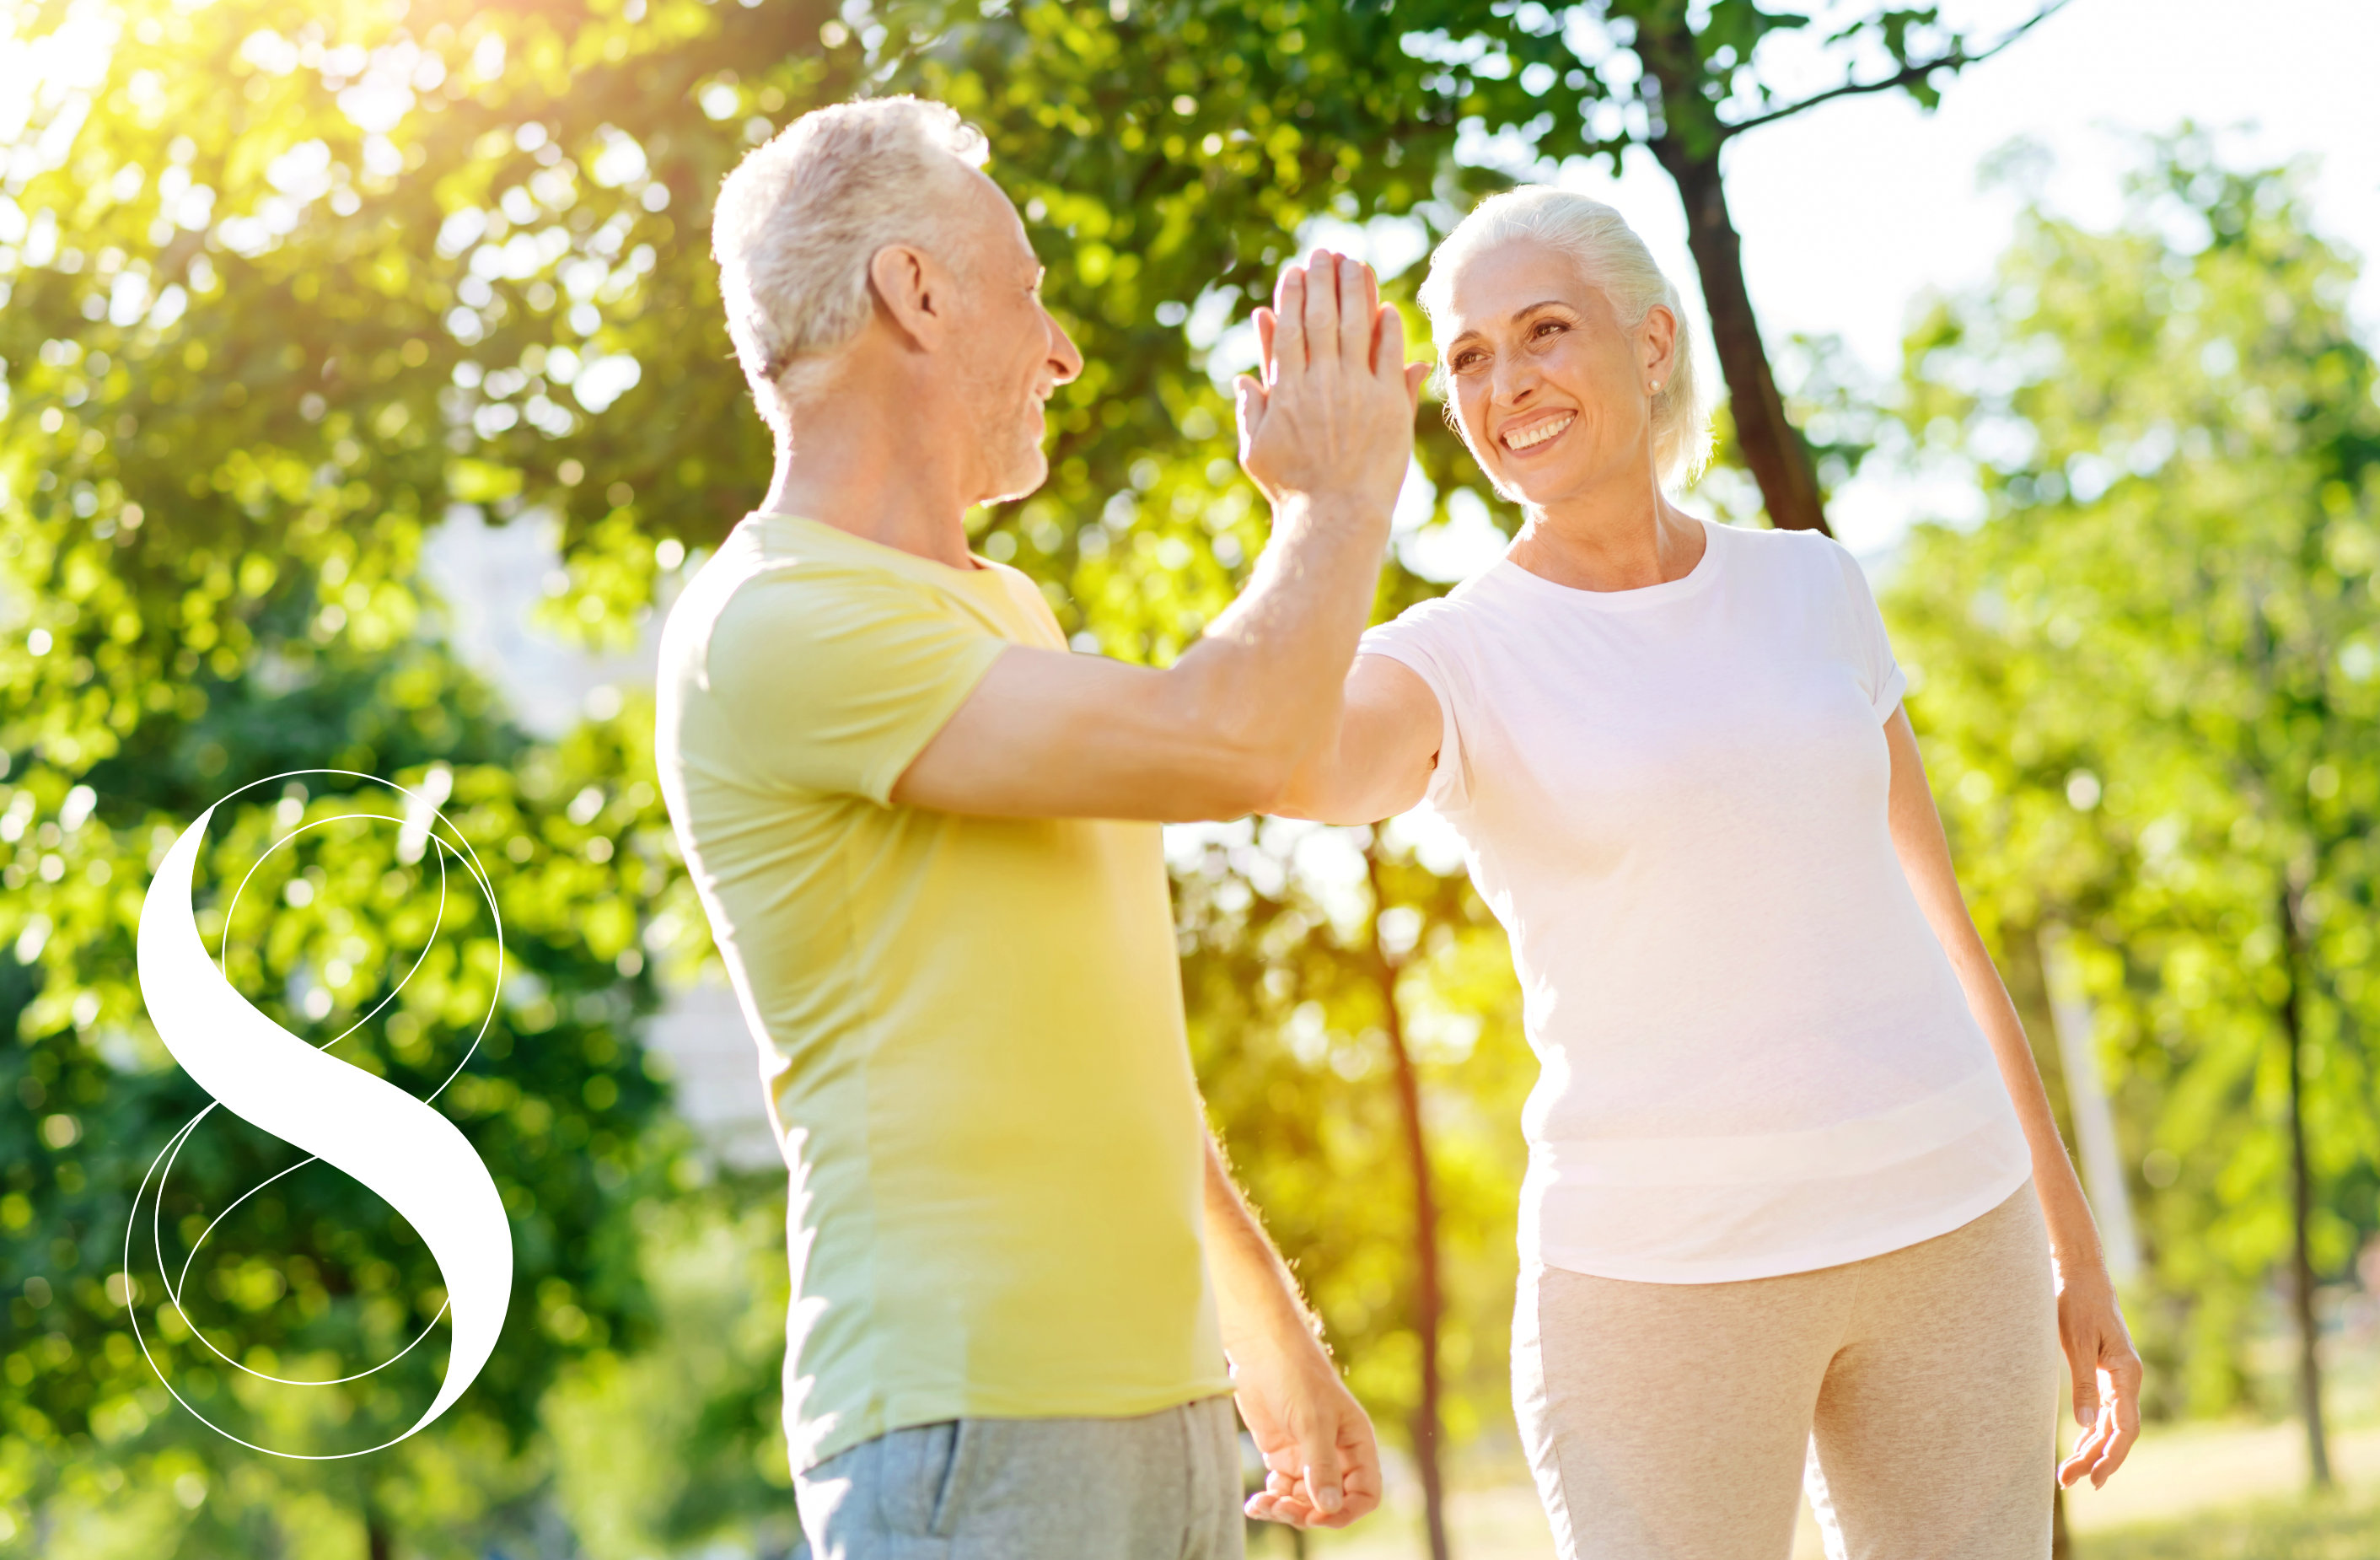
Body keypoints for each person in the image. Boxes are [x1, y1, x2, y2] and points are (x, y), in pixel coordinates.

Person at [1267, 185, 2146, 1557]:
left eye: (1545, 330)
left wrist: (2067, 1235)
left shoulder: (1814, 587)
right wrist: (1325, 514)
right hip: (1659, 1275)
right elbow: (1294, 766)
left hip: (1951, 1228)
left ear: (1654, 341)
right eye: (1470, 359)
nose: (1507, 384)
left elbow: (1940, 920)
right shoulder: (1453, 654)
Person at [654, 97, 1427, 1557]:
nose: (1064, 349)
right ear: (917, 291)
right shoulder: (774, 622)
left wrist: (1264, 1328)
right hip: (974, 1423)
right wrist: (1337, 501)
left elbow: (1092, 1022)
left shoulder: (1007, 613)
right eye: (1032, 293)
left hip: (1160, 1407)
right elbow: (1236, 741)